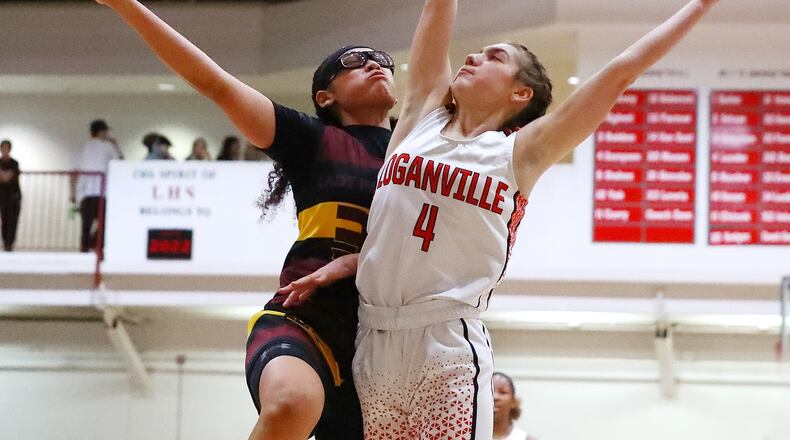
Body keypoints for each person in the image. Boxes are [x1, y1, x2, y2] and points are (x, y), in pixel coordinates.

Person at [281, 0, 720, 438]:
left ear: (520, 93)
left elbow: (623, 70)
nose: (473, 57)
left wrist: (700, 5)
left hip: (447, 344)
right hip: (373, 339)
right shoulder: (421, 116)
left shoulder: (521, 152)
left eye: (496, 57)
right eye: (477, 52)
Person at [95, 1, 397, 439]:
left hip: (385, 345)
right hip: (304, 320)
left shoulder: (421, 154)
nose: (374, 63)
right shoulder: (314, 139)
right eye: (353, 62)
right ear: (324, 97)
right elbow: (215, 84)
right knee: (292, 404)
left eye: (382, 60)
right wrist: (127, 5)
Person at [70, 119, 122, 253]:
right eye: (105, 131)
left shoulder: (83, 147)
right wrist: (116, 144)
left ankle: (84, 248)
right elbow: (121, 162)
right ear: (101, 132)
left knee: (85, 225)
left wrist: (73, 193)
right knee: (104, 223)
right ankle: (98, 248)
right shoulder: (107, 146)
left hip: (85, 193)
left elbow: (74, 172)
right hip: (101, 192)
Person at [492, 372, 536, 440]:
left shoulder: (526, 438)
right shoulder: (471, 435)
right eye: (491, 391)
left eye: (503, 392)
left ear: (513, 401)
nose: (495, 397)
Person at [0, 139, 21, 251]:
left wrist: (3, 175)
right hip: (3, 196)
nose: (5, 150)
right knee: (4, 219)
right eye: (3, 148)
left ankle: (10, 243)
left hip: (14, 195)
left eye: (6, 148)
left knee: (12, 219)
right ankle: (5, 242)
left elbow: (8, 177)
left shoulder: (14, 163)